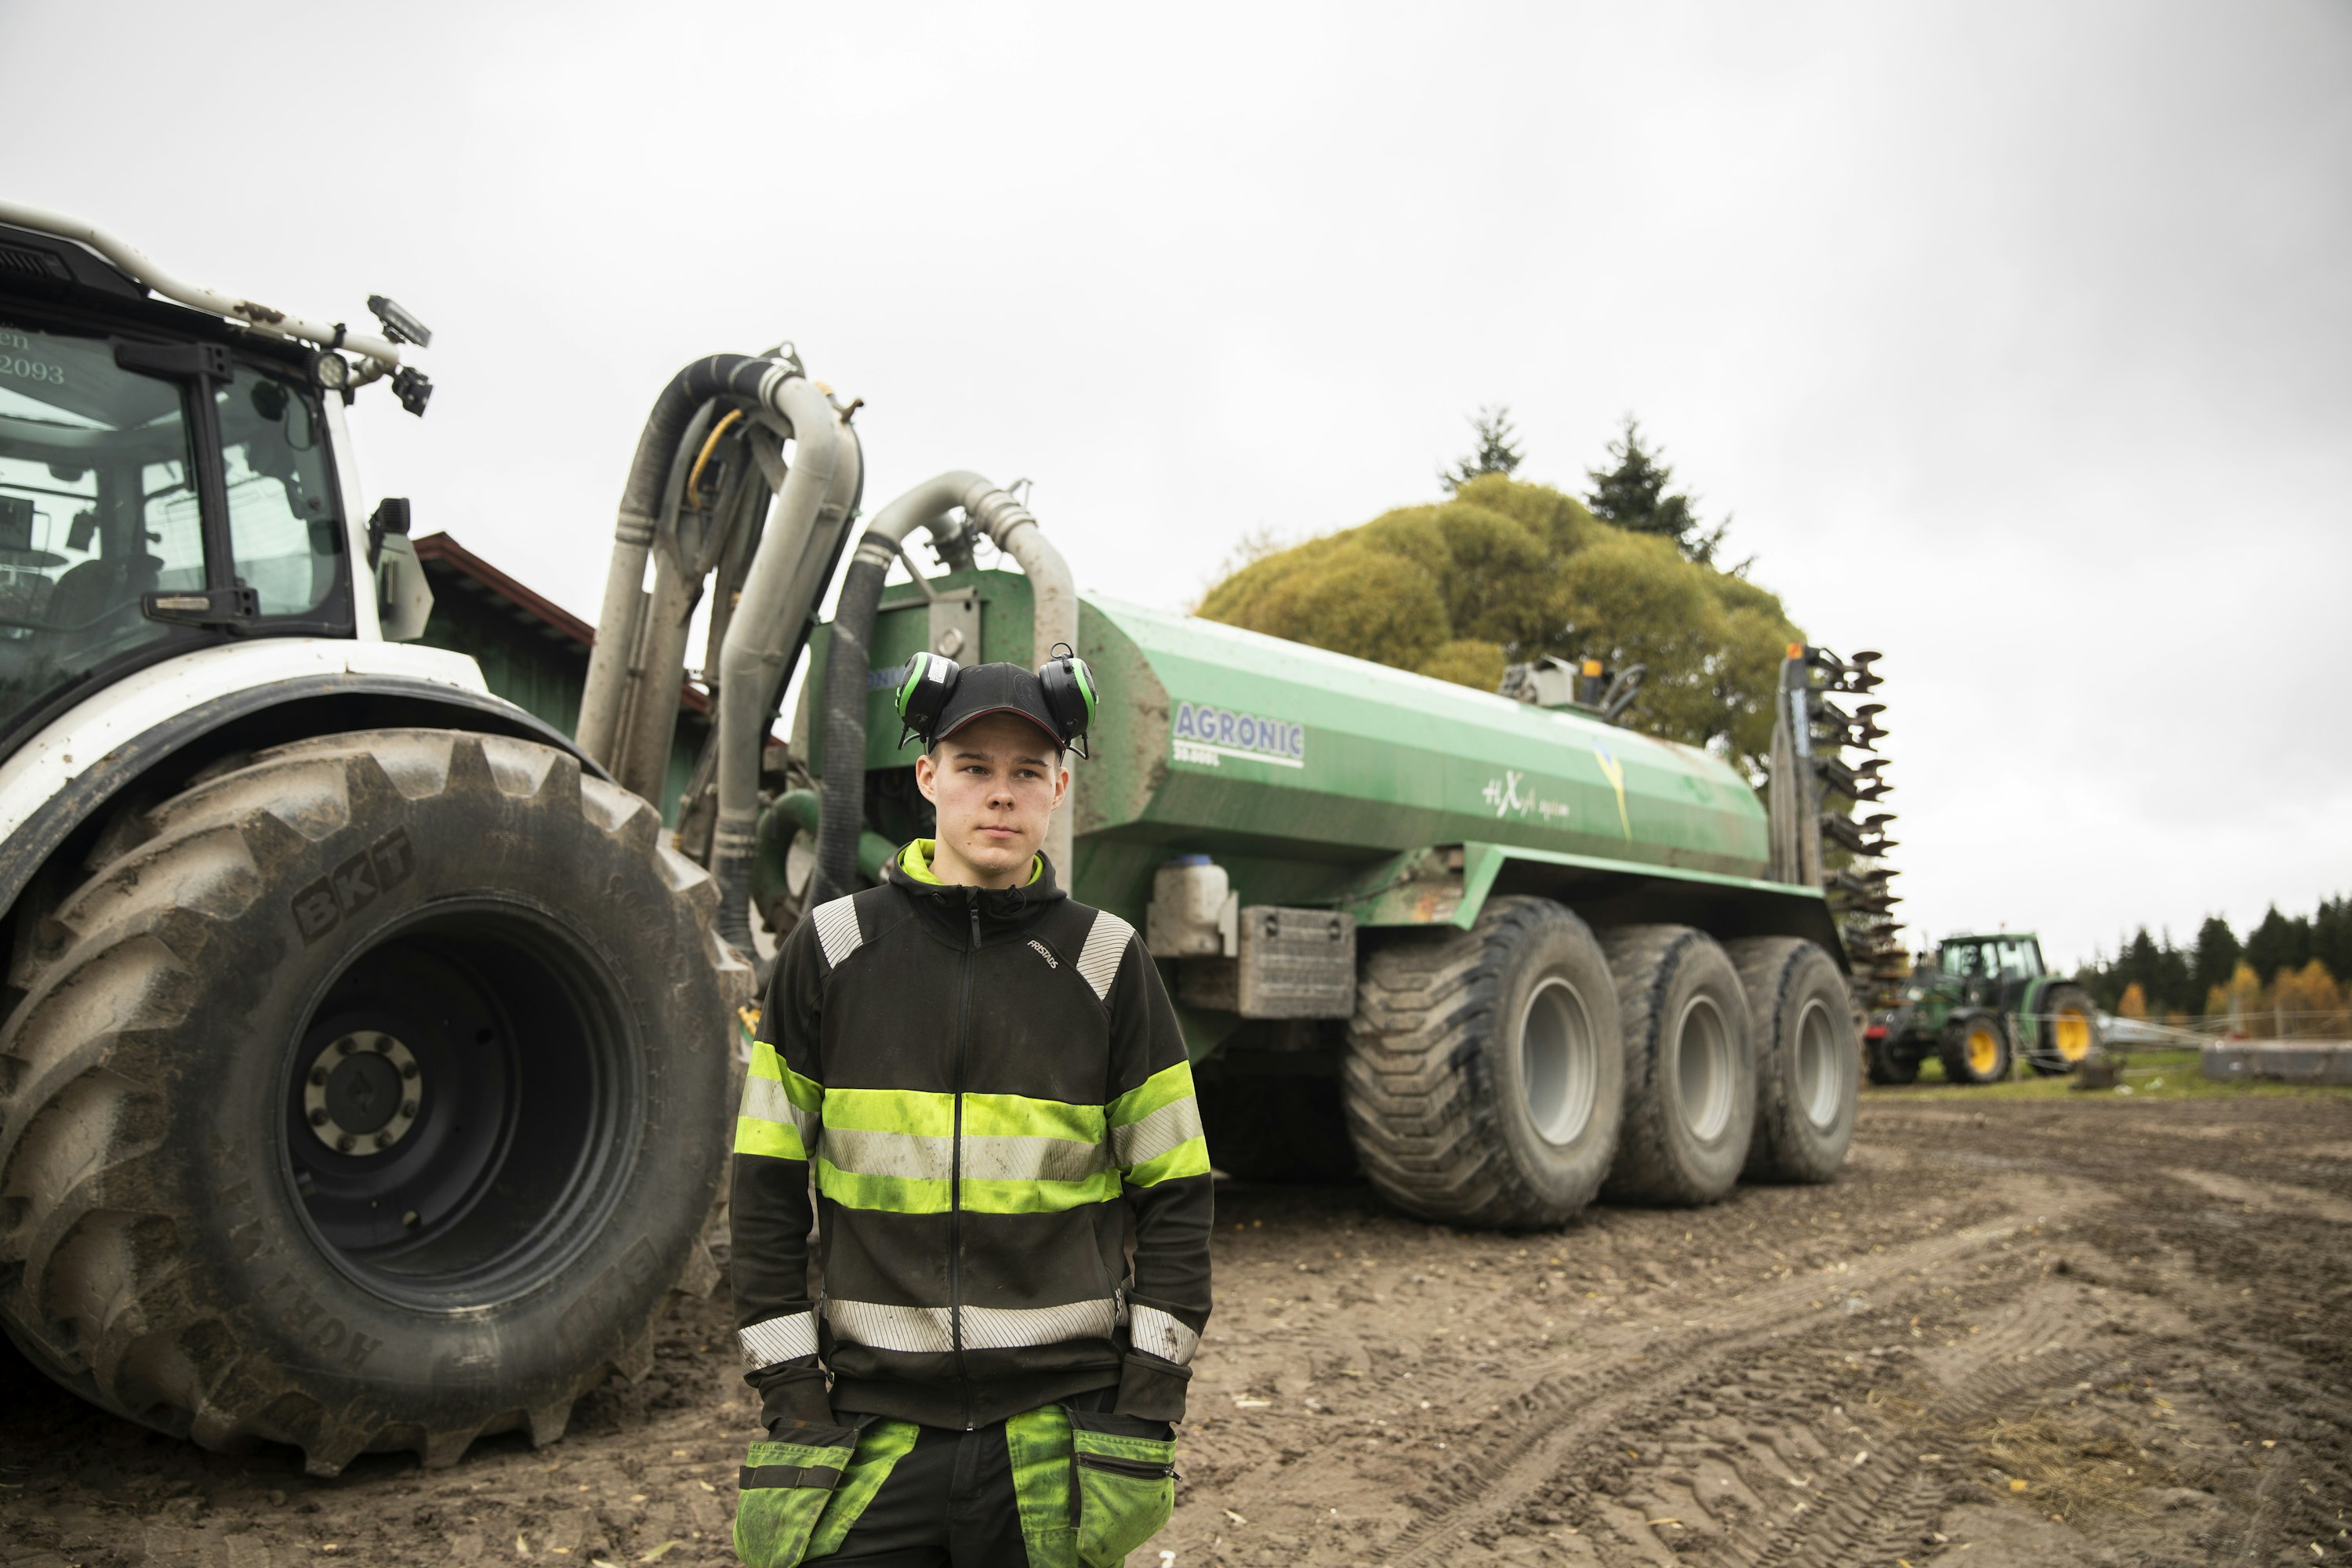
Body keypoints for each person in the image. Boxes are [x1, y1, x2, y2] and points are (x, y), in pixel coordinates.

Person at [729, 655, 1214, 1568]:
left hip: (1055, 1435)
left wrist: (1146, 1407)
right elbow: (762, 1189)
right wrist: (792, 1395)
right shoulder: (831, 950)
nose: (1001, 794)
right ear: (928, 778)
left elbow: (1179, 1195)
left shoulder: (1109, 962)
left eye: (1027, 771)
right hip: (873, 1430)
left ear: (1059, 788)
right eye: (974, 767)